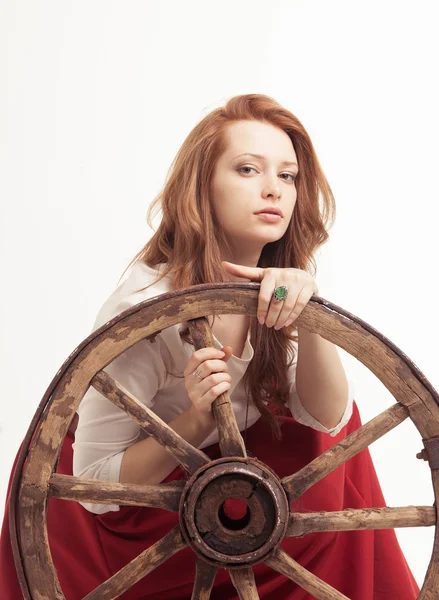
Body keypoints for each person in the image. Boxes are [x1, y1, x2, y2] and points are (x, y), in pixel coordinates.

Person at [0, 94, 419, 599]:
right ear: (203, 187)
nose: (274, 190)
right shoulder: (142, 308)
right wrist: (197, 420)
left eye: (288, 176)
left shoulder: (281, 282)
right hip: (141, 518)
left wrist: (311, 314)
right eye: (248, 169)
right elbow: (93, 485)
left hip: (258, 502)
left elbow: (329, 423)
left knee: (325, 442)